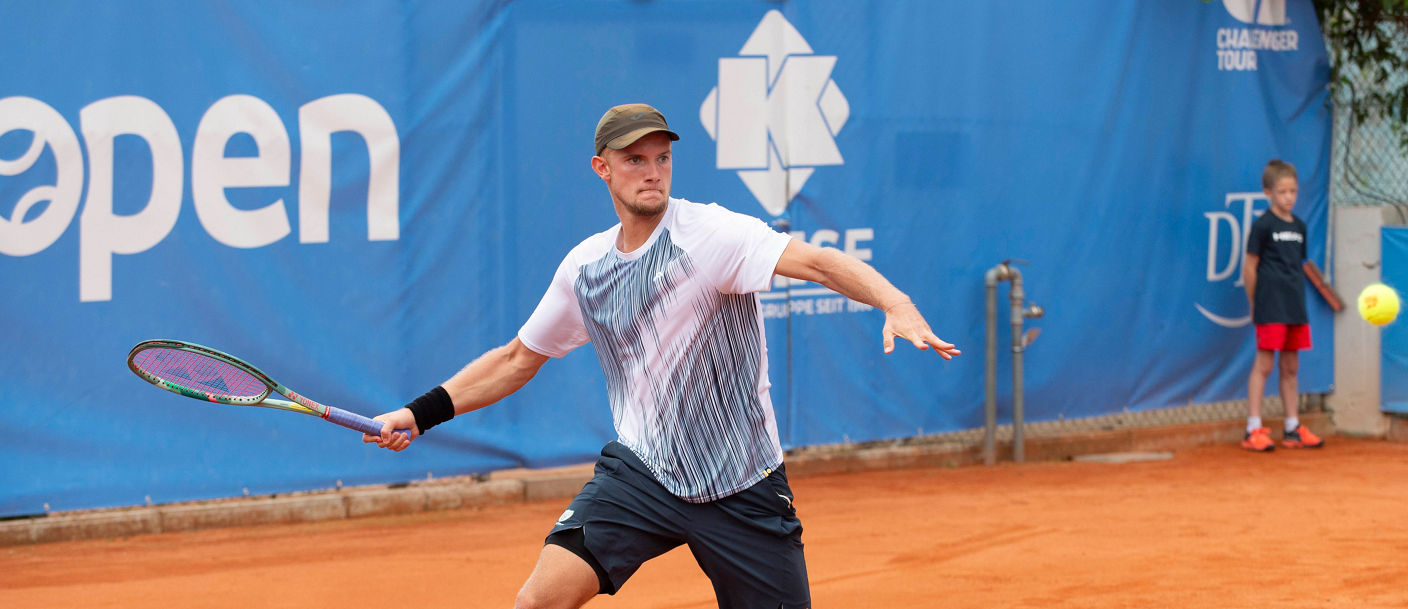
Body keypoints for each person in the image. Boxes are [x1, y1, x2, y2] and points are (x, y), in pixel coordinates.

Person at [362, 103, 960, 608]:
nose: (652, 172)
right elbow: (517, 359)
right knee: (537, 601)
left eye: (662, 158)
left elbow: (818, 262)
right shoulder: (586, 269)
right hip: (642, 476)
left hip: (741, 483)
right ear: (603, 169)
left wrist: (894, 301)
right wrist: (417, 415)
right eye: (634, 160)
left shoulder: (713, 234)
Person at [1240, 159, 1324, 452]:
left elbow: (1295, 266)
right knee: (1264, 364)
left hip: (1295, 307)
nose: (1289, 197)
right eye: (1282, 191)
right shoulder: (1262, 226)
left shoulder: (1300, 226)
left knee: (1291, 366)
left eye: (1293, 191)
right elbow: (1250, 267)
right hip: (1270, 305)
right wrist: (1255, 303)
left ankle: (1291, 428)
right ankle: (1253, 429)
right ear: (1268, 193)